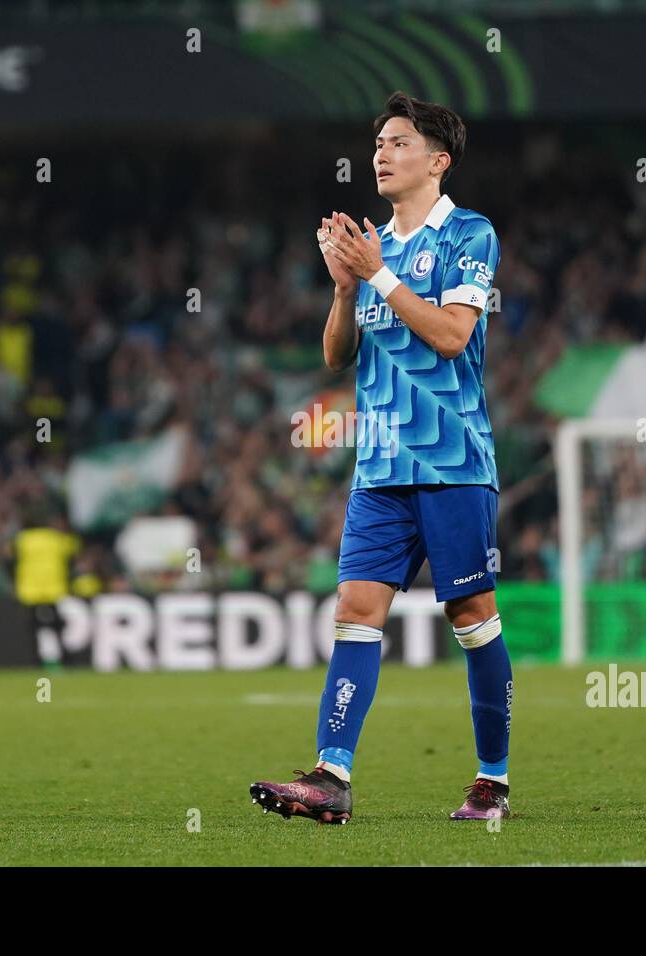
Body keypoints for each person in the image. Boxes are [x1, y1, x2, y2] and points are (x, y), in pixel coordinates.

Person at [249, 91, 509, 824]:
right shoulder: (371, 250)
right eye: (378, 145)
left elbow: (455, 335)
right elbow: (337, 356)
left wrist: (379, 276)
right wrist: (344, 288)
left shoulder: (470, 234)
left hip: (453, 460)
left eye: (398, 143)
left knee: (471, 616)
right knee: (356, 611)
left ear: (438, 159)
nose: (382, 155)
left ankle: (492, 780)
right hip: (381, 467)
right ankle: (332, 777)